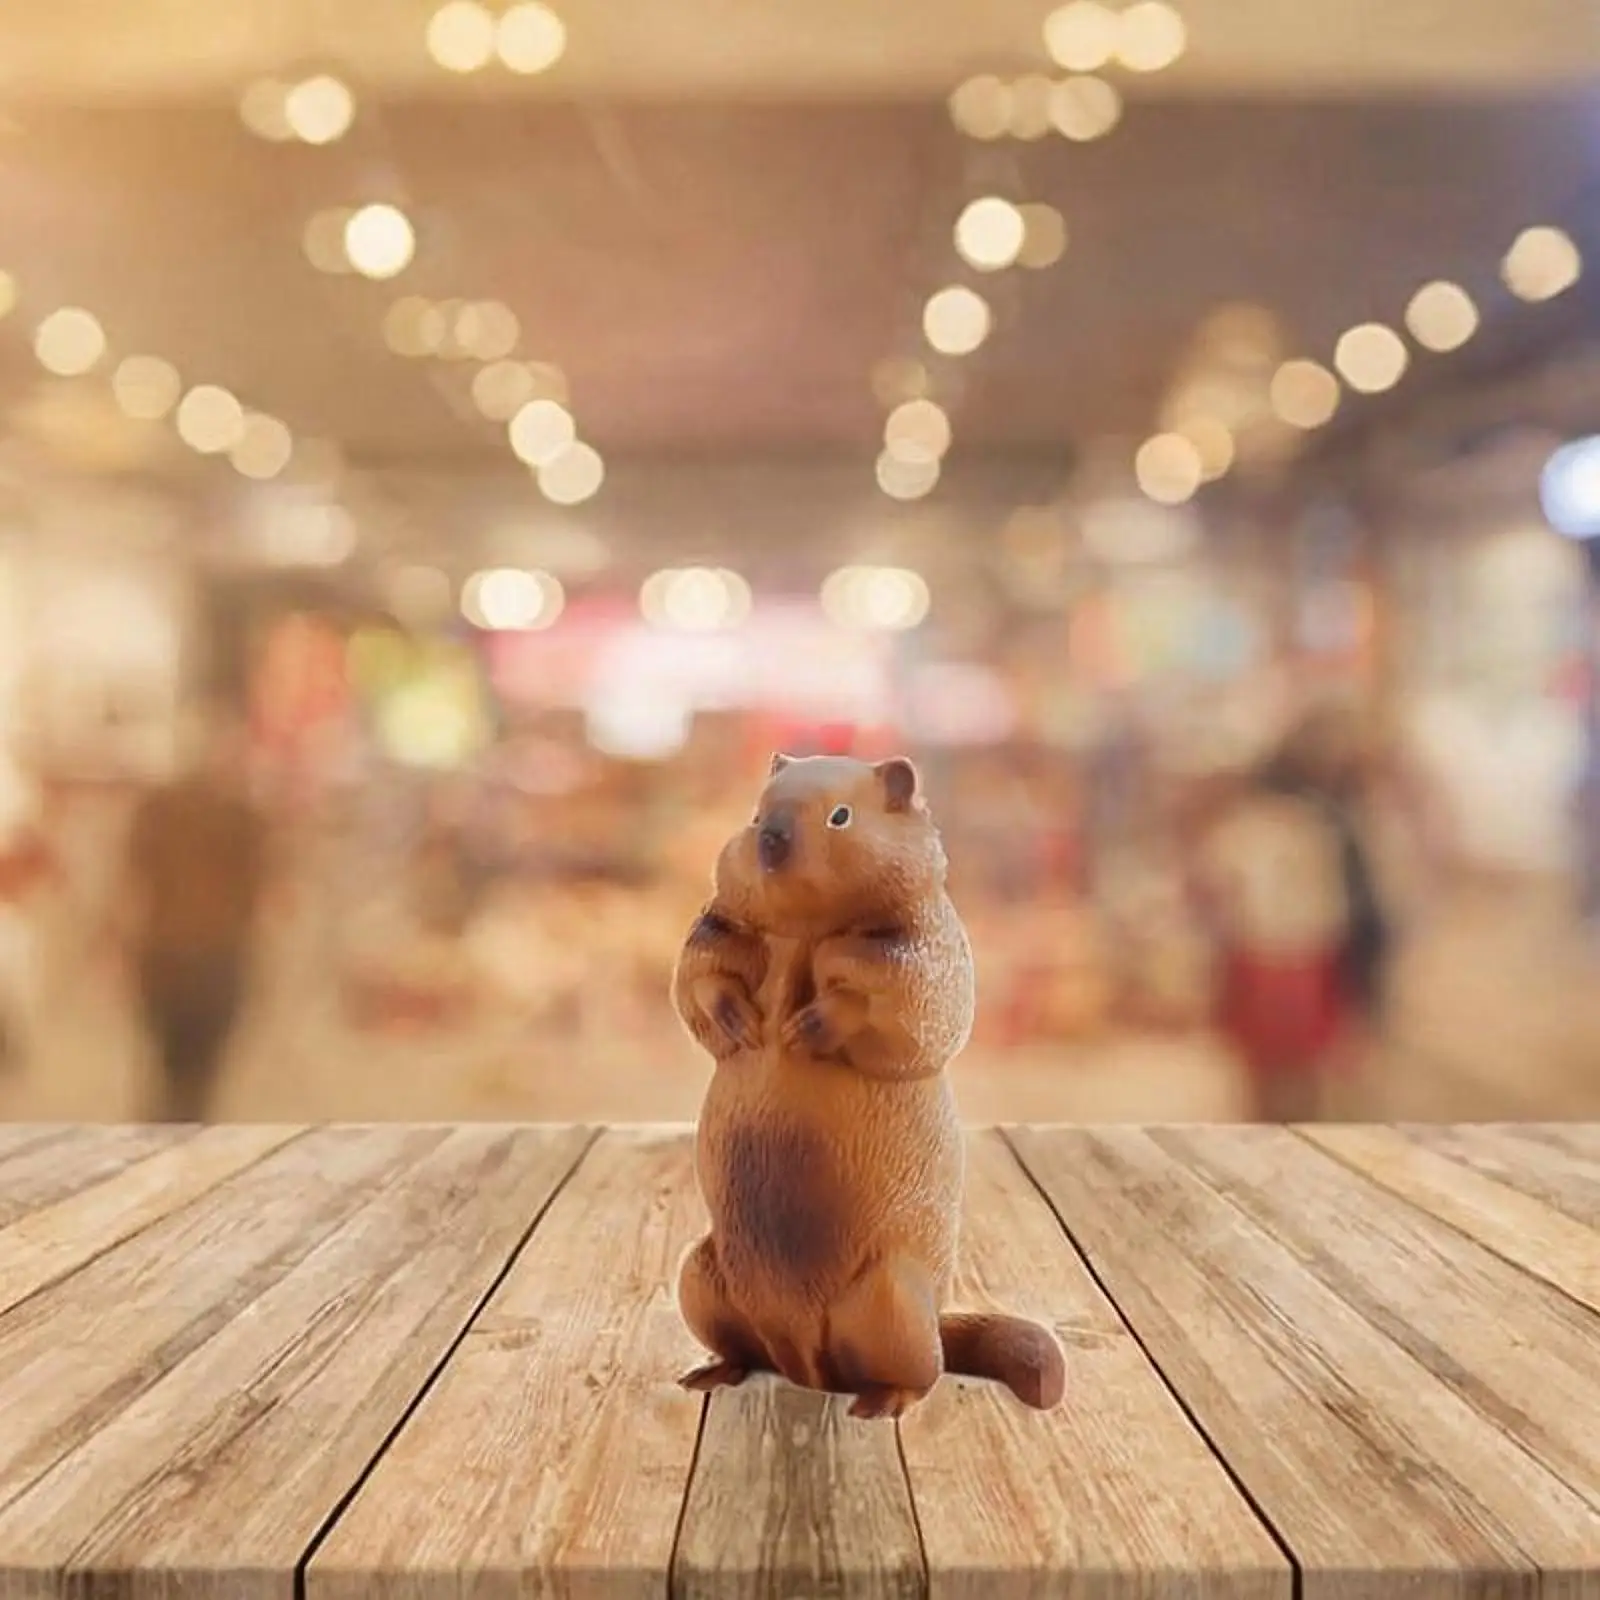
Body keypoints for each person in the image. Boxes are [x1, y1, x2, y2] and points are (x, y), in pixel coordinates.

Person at [120, 712, 272, 1121]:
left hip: (165, 953)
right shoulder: (242, 818)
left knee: (169, 1069)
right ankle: (184, 1144)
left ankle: (163, 1142)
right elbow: (259, 892)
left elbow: (134, 878)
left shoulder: (159, 809)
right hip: (215, 954)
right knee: (199, 1075)